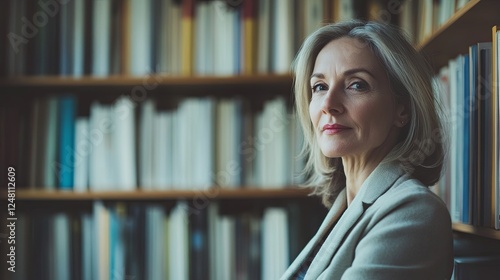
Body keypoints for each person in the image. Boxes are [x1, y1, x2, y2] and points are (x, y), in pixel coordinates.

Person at [281, 20, 454, 280]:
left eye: (356, 84)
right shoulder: (344, 208)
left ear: (402, 109)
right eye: (320, 87)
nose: (328, 104)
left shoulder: (413, 211)